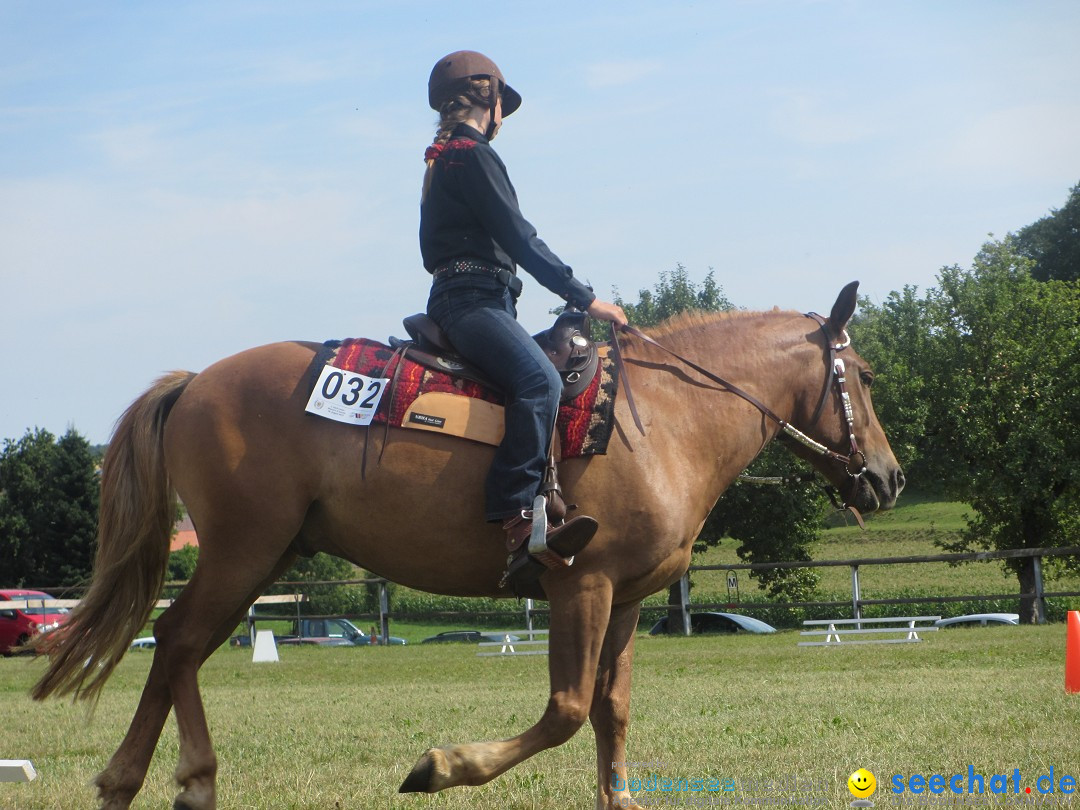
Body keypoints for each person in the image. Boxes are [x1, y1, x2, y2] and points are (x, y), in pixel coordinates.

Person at [420, 51, 627, 590]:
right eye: (501, 105)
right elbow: (519, 238)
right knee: (539, 379)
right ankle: (517, 521)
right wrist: (584, 296)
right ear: (487, 97)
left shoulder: (448, 158)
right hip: (472, 301)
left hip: (478, 298)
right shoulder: (471, 154)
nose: (503, 118)